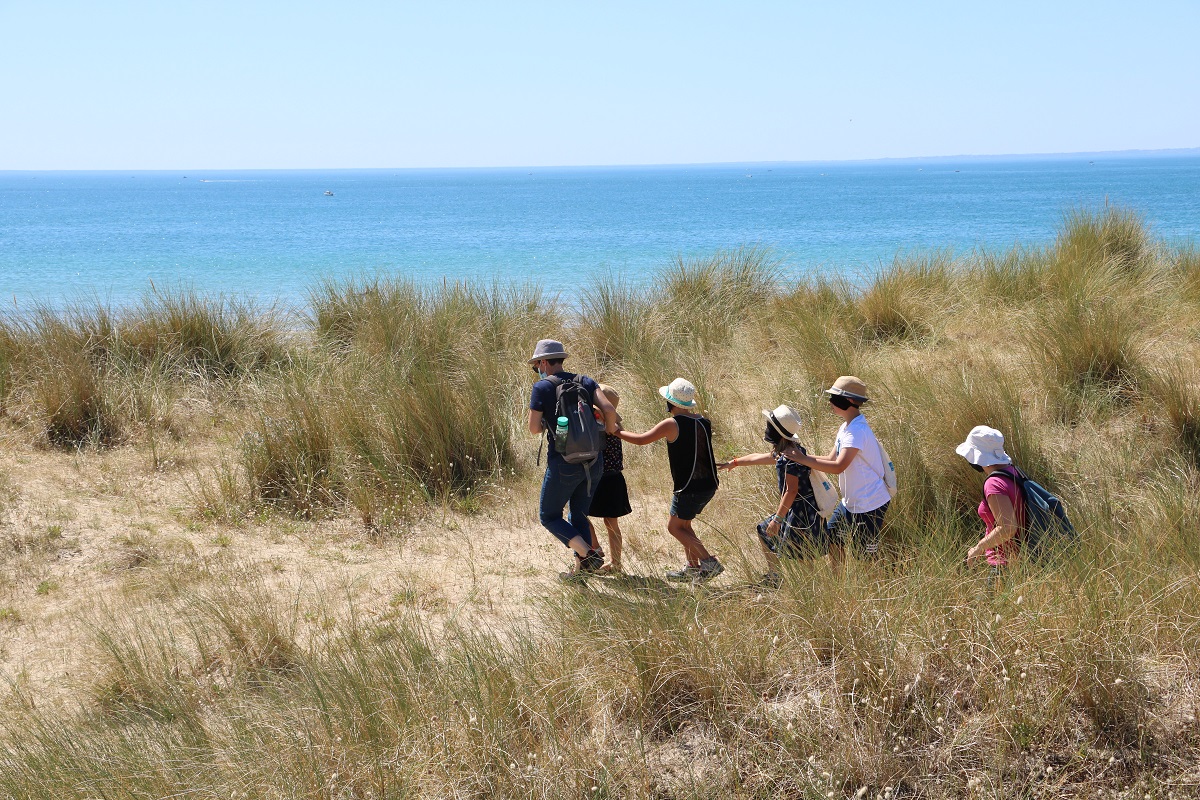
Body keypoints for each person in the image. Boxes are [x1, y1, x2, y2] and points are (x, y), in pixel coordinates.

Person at [527, 339, 619, 577]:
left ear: (545, 362)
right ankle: (581, 572)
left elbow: (534, 429)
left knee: (549, 516)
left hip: (563, 462)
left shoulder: (542, 388)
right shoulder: (586, 381)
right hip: (593, 460)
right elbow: (609, 410)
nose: (538, 368)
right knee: (578, 515)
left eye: (537, 364)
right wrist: (609, 431)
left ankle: (589, 555)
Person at [616, 377, 723, 582]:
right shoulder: (703, 420)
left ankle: (709, 562)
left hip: (688, 487)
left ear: (670, 402)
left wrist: (616, 431)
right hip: (707, 484)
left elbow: (640, 440)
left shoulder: (672, 423)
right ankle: (692, 568)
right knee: (685, 526)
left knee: (674, 528)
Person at [786, 376, 890, 572]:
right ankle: (838, 581)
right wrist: (801, 456)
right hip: (851, 503)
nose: (830, 402)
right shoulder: (846, 427)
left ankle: (875, 587)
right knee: (833, 539)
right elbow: (831, 459)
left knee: (866, 558)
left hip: (869, 504)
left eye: (834, 398)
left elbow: (838, 467)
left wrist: (801, 459)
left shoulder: (856, 431)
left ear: (849, 401)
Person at [720, 405, 824, 587]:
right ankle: (775, 576)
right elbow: (758, 457)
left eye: (769, 426)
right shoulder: (790, 451)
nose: (766, 430)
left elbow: (791, 491)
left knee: (803, 557)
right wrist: (735, 463)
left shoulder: (789, 458)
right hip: (803, 508)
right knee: (764, 530)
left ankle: (811, 590)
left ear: (777, 433)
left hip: (800, 512)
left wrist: (777, 519)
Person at [956, 425, 1024, 570]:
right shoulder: (1014, 472)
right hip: (1022, 558)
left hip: (1004, 563)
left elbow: (1008, 528)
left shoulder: (993, 484)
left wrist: (978, 548)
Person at [586, 384, 632, 573]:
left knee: (578, 513)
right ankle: (615, 563)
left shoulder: (599, 428)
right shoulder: (616, 428)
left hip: (600, 479)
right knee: (612, 524)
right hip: (614, 480)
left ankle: (595, 549)